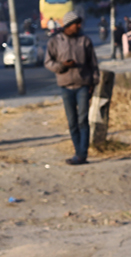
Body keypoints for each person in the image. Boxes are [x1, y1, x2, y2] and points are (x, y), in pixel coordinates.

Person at [44, 10, 99, 165]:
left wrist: (94, 83)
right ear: (68, 25)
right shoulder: (55, 42)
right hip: (65, 86)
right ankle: (78, 152)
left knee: (83, 120)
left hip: (83, 84)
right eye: (76, 24)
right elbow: (48, 62)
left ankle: (83, 154)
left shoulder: (85, 41)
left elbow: (93, 64)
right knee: (72, 122)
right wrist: (62, 66)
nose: (79, 26)